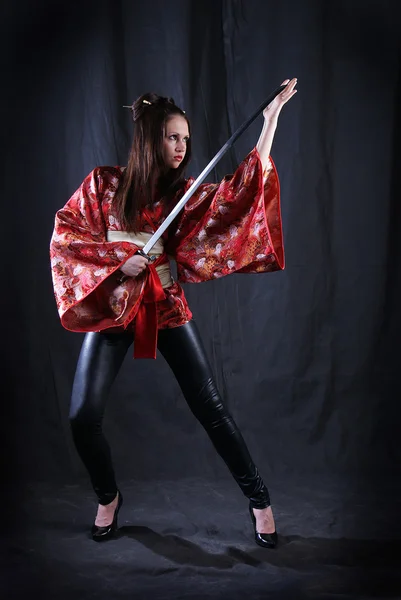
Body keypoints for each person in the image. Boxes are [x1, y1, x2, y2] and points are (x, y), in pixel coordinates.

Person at [50, 78, 297, 548]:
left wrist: (270, 122)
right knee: (83, 416)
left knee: (211, 409)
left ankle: (260, 499)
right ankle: (108, 496)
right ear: (150, 139)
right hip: (115, 308)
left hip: (164, 307)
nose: (182, 146)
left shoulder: (184, 194)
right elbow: (67, 237)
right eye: (172, 136)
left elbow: (239, 193)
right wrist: (116, 261)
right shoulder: (103, 185)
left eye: (186, 137)